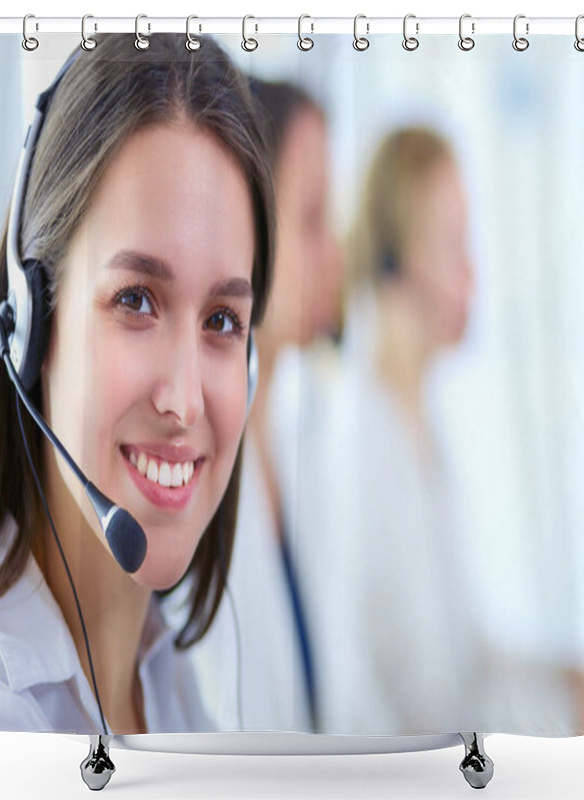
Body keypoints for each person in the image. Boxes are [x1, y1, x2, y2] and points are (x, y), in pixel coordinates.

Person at [0, 33, 274, 735]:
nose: (185, 400)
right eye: (136, 300)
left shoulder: (169, 677)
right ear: (32, 324)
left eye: (222, 319)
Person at [291, 126, 483, 734]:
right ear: (400, 262)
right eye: (453, 244)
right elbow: (407, 694)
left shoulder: (421, 417)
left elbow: (461, 662)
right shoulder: (360, 435)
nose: (472, 271)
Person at [173, 78, 343, 732]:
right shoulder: (192, 484)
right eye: (312, 219)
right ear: (244, 230)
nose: (336, 254)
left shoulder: (291, 452)